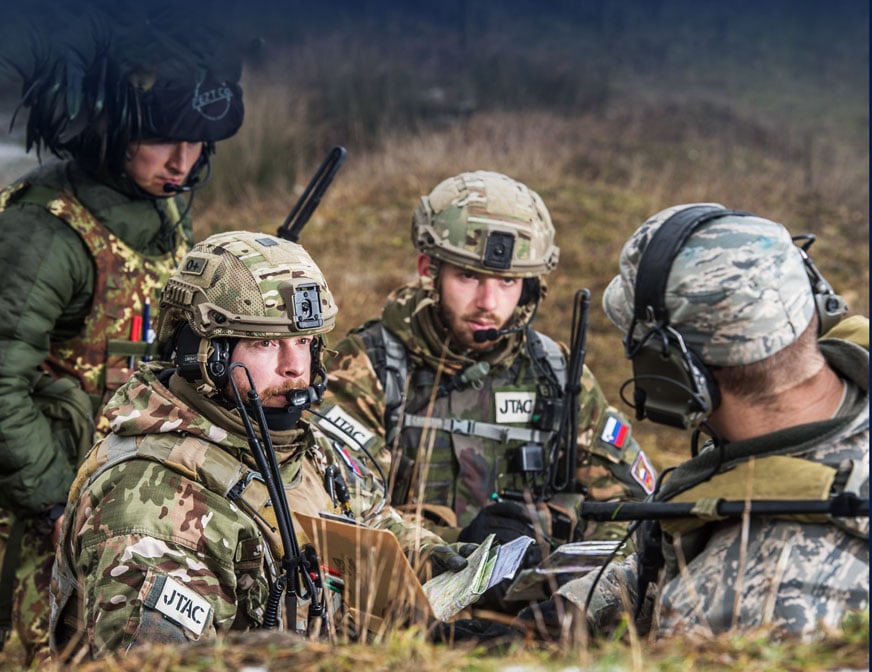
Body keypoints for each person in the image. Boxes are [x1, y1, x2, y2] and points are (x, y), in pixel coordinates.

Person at [49, 231, 471, 659]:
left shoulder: (291, 440)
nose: (294, 369)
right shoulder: (153, 505)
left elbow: (364, 524)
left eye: (303, 342)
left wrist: (442, 561)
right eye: (265, 343)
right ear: (204, 354)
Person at [0, 15, 244, 663]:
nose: (182, 163)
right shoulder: (44, 234)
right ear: (112, 130)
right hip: (33, 524)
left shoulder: (163, 211)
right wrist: (53, 496)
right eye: (163, 140)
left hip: (124, 507)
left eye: (197, 142)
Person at [521, 203, 869, 641]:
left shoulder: (729, 605)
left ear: (671, 371)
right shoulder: (794, 426)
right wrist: (572, 610)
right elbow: (664, 564)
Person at [313, 171, 656, 607]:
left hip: (536, 614)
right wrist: (461, 548)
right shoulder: (367, 368)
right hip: (402, 607)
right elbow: (332, 512)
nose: (489, 303)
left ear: (530, 286)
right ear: (428, 270)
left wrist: (567, 592)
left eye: (508, 282)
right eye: (469, 277)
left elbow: (631, 509)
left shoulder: (558, 375)